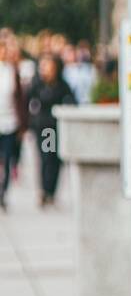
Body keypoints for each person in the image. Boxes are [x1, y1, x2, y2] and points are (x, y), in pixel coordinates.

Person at [27, 54, 76, 207]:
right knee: (46, 159)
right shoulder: (38, 84)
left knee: (54, 159)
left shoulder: (61, 85)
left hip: (55, 128)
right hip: (44, 129)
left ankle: (50, 191)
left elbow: (72, 102)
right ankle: (45, 190)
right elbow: (27, 100)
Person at [0, 37, 28, 212]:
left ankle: (3, 193)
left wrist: (22, 125)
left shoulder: (13, 72)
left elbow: (20, 100)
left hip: (10, 123)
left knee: (9, 159)